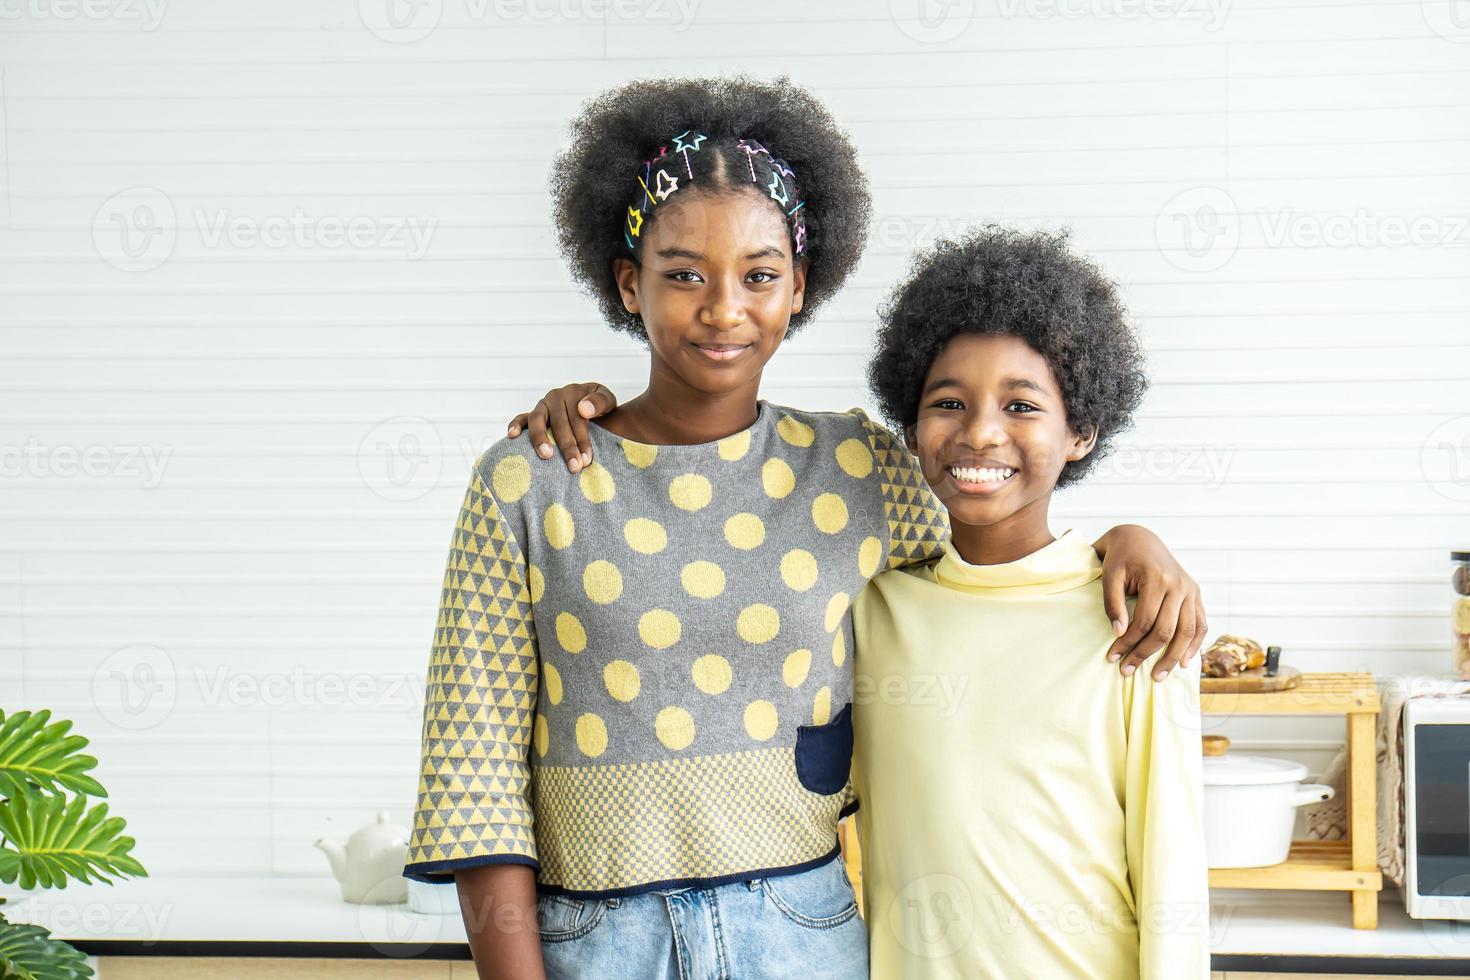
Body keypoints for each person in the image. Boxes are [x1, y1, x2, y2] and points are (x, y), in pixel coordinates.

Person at [408, 74, 1206, 980]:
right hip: (595, 939)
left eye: (758, 275)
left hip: (804, 933)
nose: (722, 308)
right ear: (628, 284)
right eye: (681, 275)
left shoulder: (860, 471)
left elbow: (997, 506)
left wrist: (1128, 539)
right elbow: (473, 775)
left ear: (799, 288)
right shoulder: (530, 482)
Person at [852, 227, 1209, 978]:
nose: (980, 432)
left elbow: (1171, 865)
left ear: (1080, 431)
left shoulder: (1133, 623)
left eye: (1021, 406)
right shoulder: (872, 612)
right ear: (913, 430)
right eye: (948, 402)